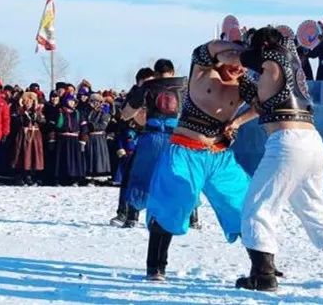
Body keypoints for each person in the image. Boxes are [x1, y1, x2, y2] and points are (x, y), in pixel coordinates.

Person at [237, 27, 323, 292]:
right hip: (312, 142)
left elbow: (251, 64)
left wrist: (237, 59)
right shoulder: (293, 68)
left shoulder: (272, 62)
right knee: (312, 207)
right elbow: (261, 102)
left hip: (287, 143)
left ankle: (263, 274)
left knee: (258, 207)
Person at [144, 40, 257, 281]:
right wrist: (237, 51)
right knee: (173, 203)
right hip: (185, 151)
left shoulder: (245, 85)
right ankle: (156, 266)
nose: (239, 68)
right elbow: (207, 49)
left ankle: (262, 267)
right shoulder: (204, 71)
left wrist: (237, 122)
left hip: (220, 156)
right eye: (236, 61)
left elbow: (263, 105)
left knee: (244, 205)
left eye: (244, 65)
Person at [121, 59, 187, 214]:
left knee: (141, 175)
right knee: (180, 176)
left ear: (155, 74)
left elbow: (126, 114)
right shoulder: (186, 86)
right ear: (173, 72)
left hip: (153, 136)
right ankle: (190, 216)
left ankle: (131, 215)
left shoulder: (147, 87)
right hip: (178, 137)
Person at [110, 67, 155, 228]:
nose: (149, 84)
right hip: (131, 144)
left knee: (153, 180)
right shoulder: (131, 98)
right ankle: (124, 212)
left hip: (151, 143)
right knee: (128, 179)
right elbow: (120, 125)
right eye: (146, 81)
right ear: (139, 82)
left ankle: (150, 214)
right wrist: (120, 146)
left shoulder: (156, 97)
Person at [11, 92, 45, 186]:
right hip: (23, 135)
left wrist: (38, 116)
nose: (28, 103)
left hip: (35, 136)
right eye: (26, 101)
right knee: (22, 154)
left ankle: (30, 175)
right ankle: (20, 176)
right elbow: (15, 122)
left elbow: (42, 121)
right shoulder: (19, 111)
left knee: (33, 155)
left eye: (31, 101)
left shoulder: (37, 111)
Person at [53, 94, 87, 185]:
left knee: (74, 160)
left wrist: (83, 139)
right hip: (62, 139)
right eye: (70, 101)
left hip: (75, 140)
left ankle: (74, 178)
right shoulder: (60, 112)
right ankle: (60, 179)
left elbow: (83, 126)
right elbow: (56, 126)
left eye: (73, 101)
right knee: (62, 159)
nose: (72, 103)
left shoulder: (78, 113)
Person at [85, 93, 112, 178]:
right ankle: (90, 174)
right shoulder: (88, 111)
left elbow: (103, 125)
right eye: (92, 101)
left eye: (96, 101)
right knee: (91, 157)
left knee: (99, 157)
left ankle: (100, 175)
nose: (94, 103)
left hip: (99, 138)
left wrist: (91, 125)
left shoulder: (104, 112)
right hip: (90, 137)